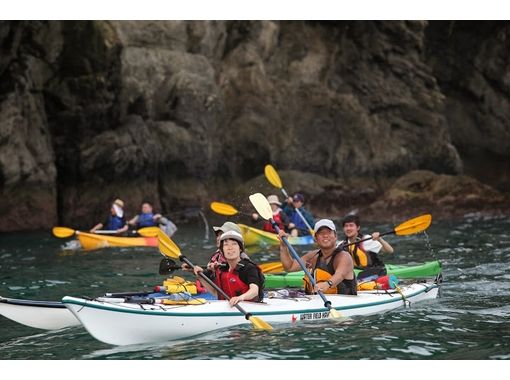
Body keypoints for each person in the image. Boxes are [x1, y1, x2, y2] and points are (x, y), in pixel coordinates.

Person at [278, 219, 357, 295]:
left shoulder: (344, 256)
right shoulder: (313, 256)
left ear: (335, 236)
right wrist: (284, 247)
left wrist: (327, 284)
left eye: (329, 232)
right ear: (315, 238)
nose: (325, 235)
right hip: (318, 301)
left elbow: (340, 275)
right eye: (321, 233)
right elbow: (290, 267)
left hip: (343, 301)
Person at [193, 230, 265, 306]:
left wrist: (240, 298)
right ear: (222, 250)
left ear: (240, 249)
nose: (230, 248)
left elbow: (254, 291)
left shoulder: (249, 268)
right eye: (226, 245)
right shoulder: (222, 269)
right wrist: (200, 276)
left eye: (234, 244)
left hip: (250, 308)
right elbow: (216, 293)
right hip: (228, 308)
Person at [338, 214, 394, 281]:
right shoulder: (342, 244)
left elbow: (390, 250)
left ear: (358, 228)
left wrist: (380, 239)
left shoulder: (366, 240)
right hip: (358, 272)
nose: (348, 228)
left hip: (376, 271)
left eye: (351, 225)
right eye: (346, 226)